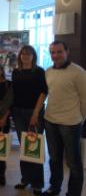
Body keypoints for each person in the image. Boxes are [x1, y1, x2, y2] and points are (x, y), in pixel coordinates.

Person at [42, 41, 86, 196]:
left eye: (59, 52)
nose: (55, 55)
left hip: (71, 123)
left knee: (73, 162)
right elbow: (48, 94)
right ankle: (54, 188)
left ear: (67, 52)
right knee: (54, 159)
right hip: (50, 121)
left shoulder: (78, 72)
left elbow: (84, 99)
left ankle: (73, 193)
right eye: (52, 52)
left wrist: (80, 119)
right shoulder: (48, 71)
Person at [12, 45, 47, 195]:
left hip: (35, 113)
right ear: (20, 56)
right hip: (18, 113)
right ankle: (25, 178)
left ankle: (38, 183)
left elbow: (43, 93)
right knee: (24, 146)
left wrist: (35, 113)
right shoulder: (16, 72)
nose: (25, 56)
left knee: (34, 147)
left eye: (28, 54)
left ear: (33, 56)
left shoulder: (39, 71)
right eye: (23, 54)